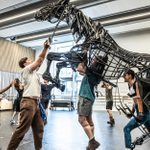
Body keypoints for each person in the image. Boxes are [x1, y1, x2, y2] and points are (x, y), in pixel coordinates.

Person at [7, 40, 50, 150]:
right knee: (22, 130)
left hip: (36, 103)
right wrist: (45, 48)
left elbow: (43, 80)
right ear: (25, 64)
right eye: (29, 60)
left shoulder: (35, 74)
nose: (31, 61)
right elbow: (39, 60)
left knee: (39, 129)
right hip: (28, 102)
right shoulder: (26, 70)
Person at [123, 69, 150, 149]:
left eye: (125, 75)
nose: (123, 76)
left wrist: (140, 114)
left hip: (143, 113)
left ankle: (129, 145)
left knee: (126, 129)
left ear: (130, 76)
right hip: (146, 114)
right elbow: (135, 101)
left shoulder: (136, 84)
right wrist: (132, 112)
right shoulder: (129, 85)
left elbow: (139, 98)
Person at [77, 62, 100, 150]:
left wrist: (91, 60)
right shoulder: (90, 75)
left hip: (85, 99)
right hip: (88, 98)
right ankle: (91, 144)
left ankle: (92, 141)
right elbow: (80, 71)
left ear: (84, 67)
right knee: (89, 120)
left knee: (81, 120)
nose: (77, 67)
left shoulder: (90, 73)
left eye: (78, 65)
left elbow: (81, 69)